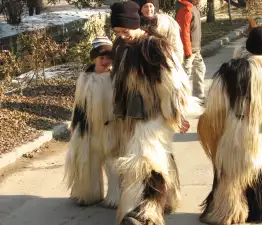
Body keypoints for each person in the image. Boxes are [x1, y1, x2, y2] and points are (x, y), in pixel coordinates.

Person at [197, 26, 262, 224]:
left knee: (232, 175)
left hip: (238, 132)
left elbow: (214, 107)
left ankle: (229, 211)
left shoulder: (231, 71)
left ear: (248, 46)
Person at [108, 1, 191, 224]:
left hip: (152, 116)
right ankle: (163, 201)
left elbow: (175, 83)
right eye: (117, 32)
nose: (122, 35)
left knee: (146, 163)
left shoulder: (155, 47)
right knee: (150, 159)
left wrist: (177, 113)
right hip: (129, 118)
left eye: (125, 30)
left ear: (136, 24)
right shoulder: (122, 47)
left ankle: (146, 214)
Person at [64, 36, 119, 206]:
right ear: (94, 58)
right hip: (90, 128)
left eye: (109, 58)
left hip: (112, 127)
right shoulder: (85, 79)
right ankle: (89, 194)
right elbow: (78, 105)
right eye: (101, 57)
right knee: (90, 161)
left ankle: (115, 197)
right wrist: (75, 124)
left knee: (113, 162)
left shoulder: (116, 78)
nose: (105, 61)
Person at [175, 0, 206, 105]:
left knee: (200, 69)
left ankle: (199, 96)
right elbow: (184, 33)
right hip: (188, 50)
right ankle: (180, 101)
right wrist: (187, 53)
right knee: (184, 75)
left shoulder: (193, 8)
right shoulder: (185, 10)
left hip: (195, 49)